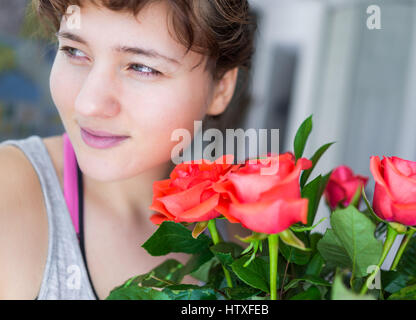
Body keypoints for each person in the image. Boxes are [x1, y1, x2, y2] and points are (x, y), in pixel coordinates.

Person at [0, 0, 255, 300]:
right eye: (74, 51)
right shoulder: (10, 194)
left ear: (221, 88)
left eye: (142, 68)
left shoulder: (241, 238)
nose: (88, 103)